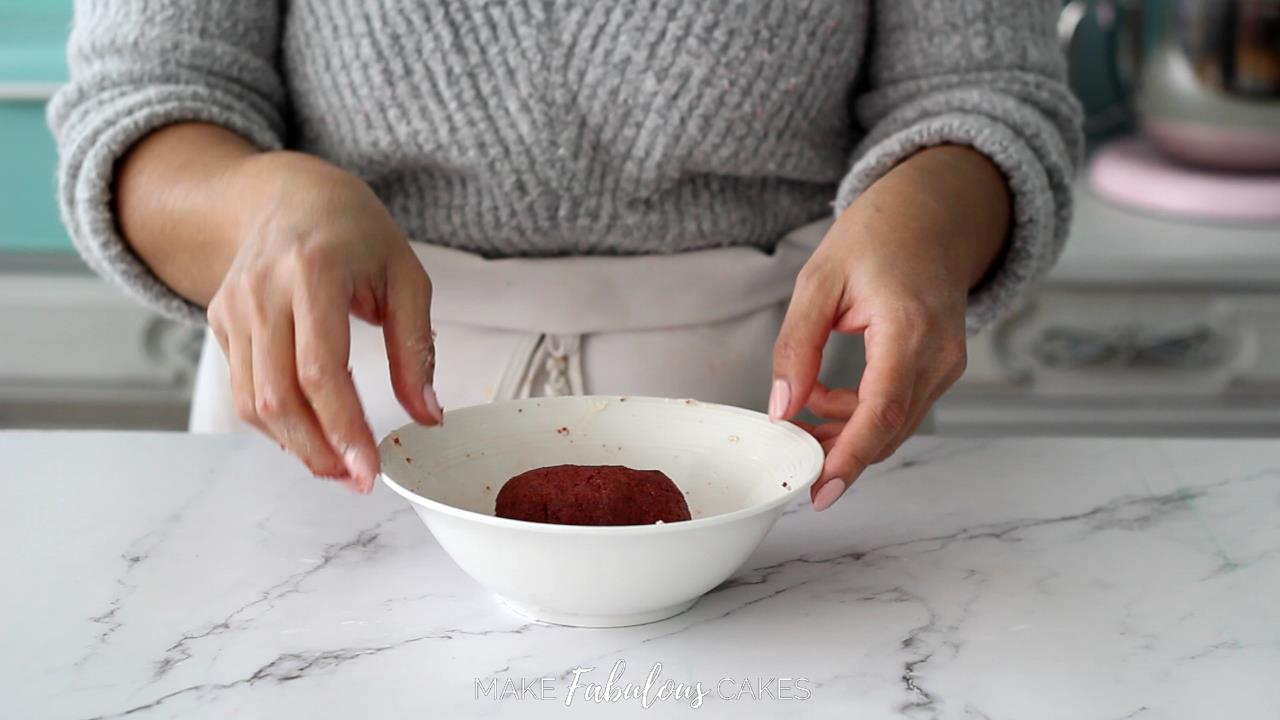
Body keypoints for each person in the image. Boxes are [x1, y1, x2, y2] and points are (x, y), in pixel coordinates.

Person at [50, 1, 1081, 511]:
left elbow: (982, 91)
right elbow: (140, 105)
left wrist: (925, 220)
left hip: (782, 439)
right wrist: (260, 201)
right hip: (326, 431)